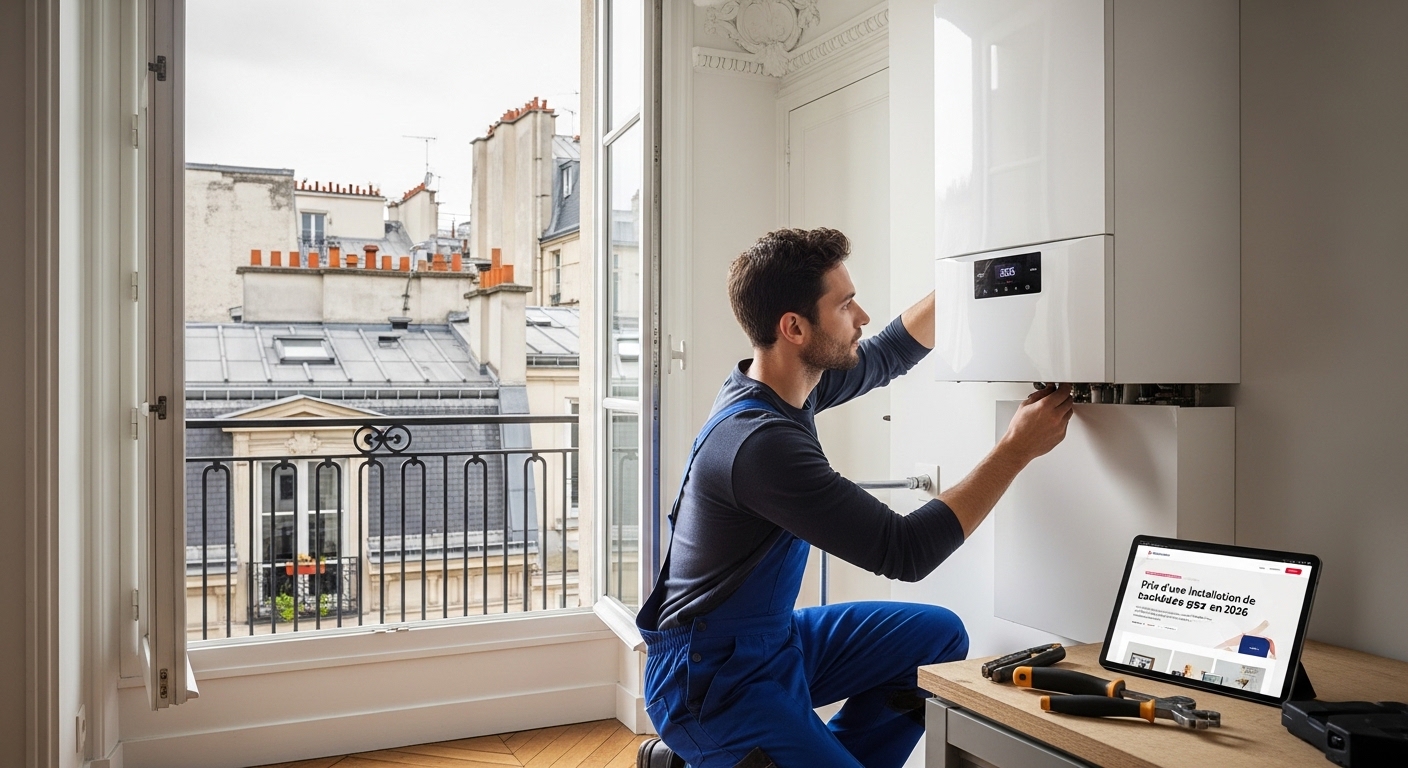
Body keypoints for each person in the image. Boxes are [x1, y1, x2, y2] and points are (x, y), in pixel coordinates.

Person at [635, 228, 1074, 768]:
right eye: (845, 305)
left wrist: (967, 284)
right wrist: (1015, 449)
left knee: (935, 639)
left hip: (771, 642)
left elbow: (887, 352)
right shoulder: (761, 444)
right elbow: (905, 550)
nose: (861, 316)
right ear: (794, 328)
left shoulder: (782, 385)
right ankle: (716, 750)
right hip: (709, 682)